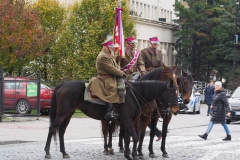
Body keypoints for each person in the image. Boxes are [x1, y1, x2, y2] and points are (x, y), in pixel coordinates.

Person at [87, 39, 125, 121]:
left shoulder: (109, 55)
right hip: (105, 78)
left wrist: (120, 69)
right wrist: (121, 73)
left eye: (112, 47)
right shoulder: (103, 56)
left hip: (111, 77)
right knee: (113, 90)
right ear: (105, 47)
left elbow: (114, 66)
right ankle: (109, 112)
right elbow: (110, 69)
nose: (112, 49)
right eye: (111, 47)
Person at [140, 36, 164, 141]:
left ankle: (162, 107)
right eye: (154, 44)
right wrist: (144, 72)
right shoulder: (144, 52)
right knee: (137, 81)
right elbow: (141, 64)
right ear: (150, 43)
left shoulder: (159, 53)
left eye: (156, 44)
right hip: (145, 73)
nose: (155, 45)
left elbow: (161, 65)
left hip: (156, 75)